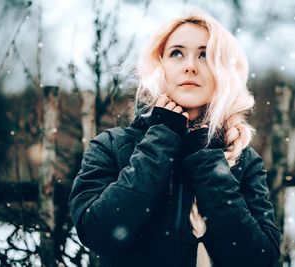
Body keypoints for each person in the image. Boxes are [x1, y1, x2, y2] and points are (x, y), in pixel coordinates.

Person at [68, 10, 280, 267]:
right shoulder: (111, 146)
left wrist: (208, 161)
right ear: (160, 67)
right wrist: (161, 139)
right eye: (177, 53)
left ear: (222, 71)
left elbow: (260, 259)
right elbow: (98, 233)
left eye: (205, 55)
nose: (190, 66)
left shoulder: (243, 160)